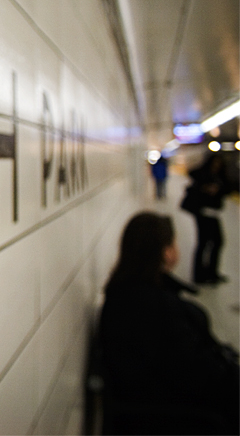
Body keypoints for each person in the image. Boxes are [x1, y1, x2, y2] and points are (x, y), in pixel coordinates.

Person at [99, 212, 239, 435]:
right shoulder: (155, 308)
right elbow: (199, 374)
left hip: (157, 403)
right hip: (177, 415)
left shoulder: (125, 293)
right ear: (166, 252)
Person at [184, 154, 229, 284]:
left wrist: (218, 189)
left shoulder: (220, 177)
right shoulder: (202, 174)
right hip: (202, 213)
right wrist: (205, 187)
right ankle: (199, 275)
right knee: (203, 243)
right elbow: (192, 173)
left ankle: (212, 272)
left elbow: (227, 189)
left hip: (214, 213)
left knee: (217, 242)